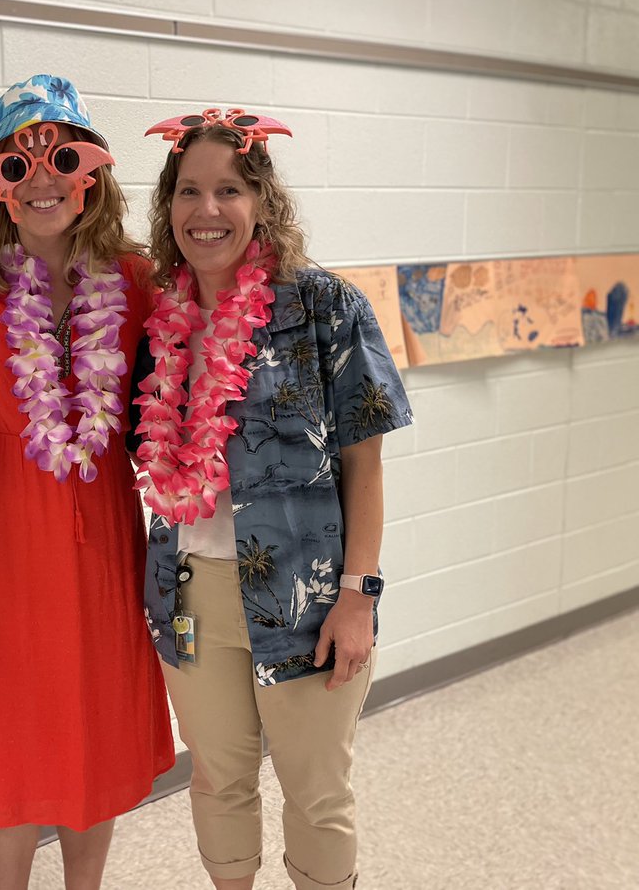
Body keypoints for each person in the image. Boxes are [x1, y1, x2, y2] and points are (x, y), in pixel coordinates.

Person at [131, 108, 413, 890]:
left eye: (229, 189)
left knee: (317, 794)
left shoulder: (324, 306)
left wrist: (358, 595)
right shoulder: (160, 319)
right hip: (188, 590)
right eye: (189, 191)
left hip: (308, 597)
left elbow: (365, 466)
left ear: (261, 199)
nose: (208, 210)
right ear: (169, 205)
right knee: (217, 780)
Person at [0, 75, 175, 889]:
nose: (41, 180)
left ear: (91, 172)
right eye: (16, 162)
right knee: (5, 722)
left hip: (101, 527)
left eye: (61, 157)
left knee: (93, 718)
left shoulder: (135, 277)